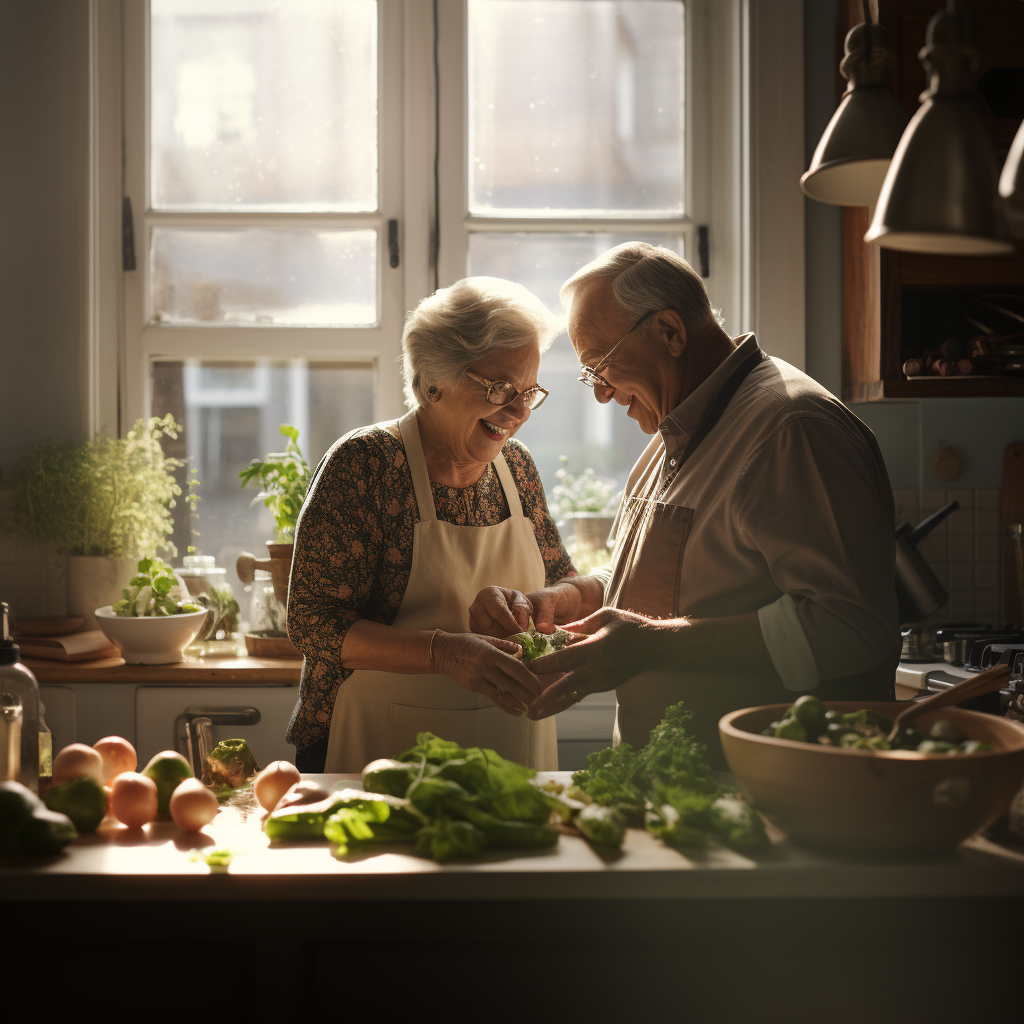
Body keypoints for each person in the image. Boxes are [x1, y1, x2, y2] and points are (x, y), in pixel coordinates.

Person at [470, 242, 900, 765]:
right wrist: (562, 600)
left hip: (771, 788)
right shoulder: (677, 429)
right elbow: (663, 577)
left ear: (670, 332)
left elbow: (851, 627)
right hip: (680, 787)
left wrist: (654, 644)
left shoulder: (792, 426)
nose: (601, 394)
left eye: (600, 366)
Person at [286, 277, 575, 773]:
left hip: (503, 743)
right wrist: (445, 653)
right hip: (373, 747)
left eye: (530, 391)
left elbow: (559, 580)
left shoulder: (518, 469)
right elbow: (312, 623)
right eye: (501, 388)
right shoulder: (367, 464)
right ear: (434, 380)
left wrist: (538, 611)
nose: (521, 411)